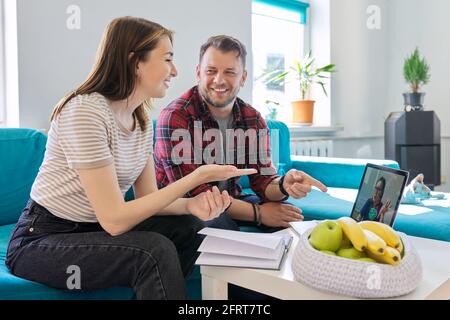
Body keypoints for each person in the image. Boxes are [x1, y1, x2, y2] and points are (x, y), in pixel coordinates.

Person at [5, 17, 255, 300]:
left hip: (94, 231)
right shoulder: (86, 112)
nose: (175, 70)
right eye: (168, 59)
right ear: (135, 62)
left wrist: (192, 205)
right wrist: (196, 178)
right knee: (152, 251)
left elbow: (147, 198)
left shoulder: (141, 120)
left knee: (190, 228)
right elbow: (114, 220)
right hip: (42, 238)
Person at [154, 35, 327, 232]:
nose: (219, 80)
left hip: (229, 199)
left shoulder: (251, 118)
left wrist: (283, 185)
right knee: (218, 223)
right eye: (211, 71)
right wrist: (259, 213)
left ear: (243, 77)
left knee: (289, 217)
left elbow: (263, 181)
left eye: (229, 72)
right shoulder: (175, 116)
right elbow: (196, 195)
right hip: (182, 209)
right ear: (198, 72)